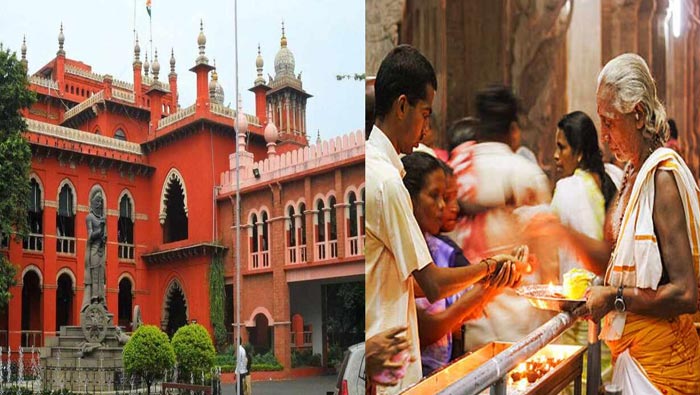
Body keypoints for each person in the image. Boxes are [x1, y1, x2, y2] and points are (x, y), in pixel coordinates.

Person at [527, 53, 700, 394]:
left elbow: (685, 292)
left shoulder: (661, 177)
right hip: (633, 355)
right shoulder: (630, 175)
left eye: (609, 122)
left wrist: (616, 297)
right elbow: (617, 263)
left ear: (637, 115)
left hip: (663, 366)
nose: (604, 136)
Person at [366, 45, 519, 394]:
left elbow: (409, 282)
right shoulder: (388, 183)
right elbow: (431, 284)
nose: (424, 131)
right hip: (390, 372)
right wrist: (490, 268)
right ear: (401, 106)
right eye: (424, 114)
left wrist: (486, 277)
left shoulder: (379, 170)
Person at [450, 85, 553, 352]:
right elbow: (548, 261)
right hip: (522, 328)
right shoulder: (527, 175)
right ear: (513, 130)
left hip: (469, 323)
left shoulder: (456, 171)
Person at [403, 152, 521, 376]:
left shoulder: (440, 249)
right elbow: (430, 318)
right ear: (409, 199)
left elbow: (461, 305)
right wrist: (490, 271)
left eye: (448, 197)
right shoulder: (400, 252)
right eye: (437, 196)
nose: (445, 206)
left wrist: (499, 275)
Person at [82, 193, 107, 312]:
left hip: (101, 251)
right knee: (95, 276)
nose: (99, 204)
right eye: (97, 201)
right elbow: (90, 236)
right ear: (92, 202)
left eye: (101, 201)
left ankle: (102, 300)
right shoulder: (89, 217)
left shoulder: (102, 218)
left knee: (102, 277)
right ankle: (94, 300)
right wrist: (101, 229)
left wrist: (104, 235)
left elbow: (104, 237)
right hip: (94, 251)